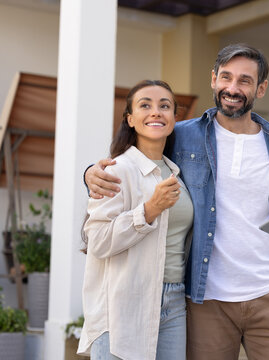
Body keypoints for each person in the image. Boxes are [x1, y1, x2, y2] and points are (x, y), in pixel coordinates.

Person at [85, 44, 269, 360]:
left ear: (261, 87)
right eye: (226, 77)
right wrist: (90, 173)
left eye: (244, 81)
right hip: (205, 300)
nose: (232, 88)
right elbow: (135, 158)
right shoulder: (182, 135)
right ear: (213, 79)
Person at [78, 80, 193, 360]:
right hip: (124, 305)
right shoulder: (117, 170)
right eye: (145, 105)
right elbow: (99, 241)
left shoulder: (176, 171)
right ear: (130, 119)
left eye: (164, 106)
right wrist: (149, 210)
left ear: (174, 118)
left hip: (175, 302)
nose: (156, 112)